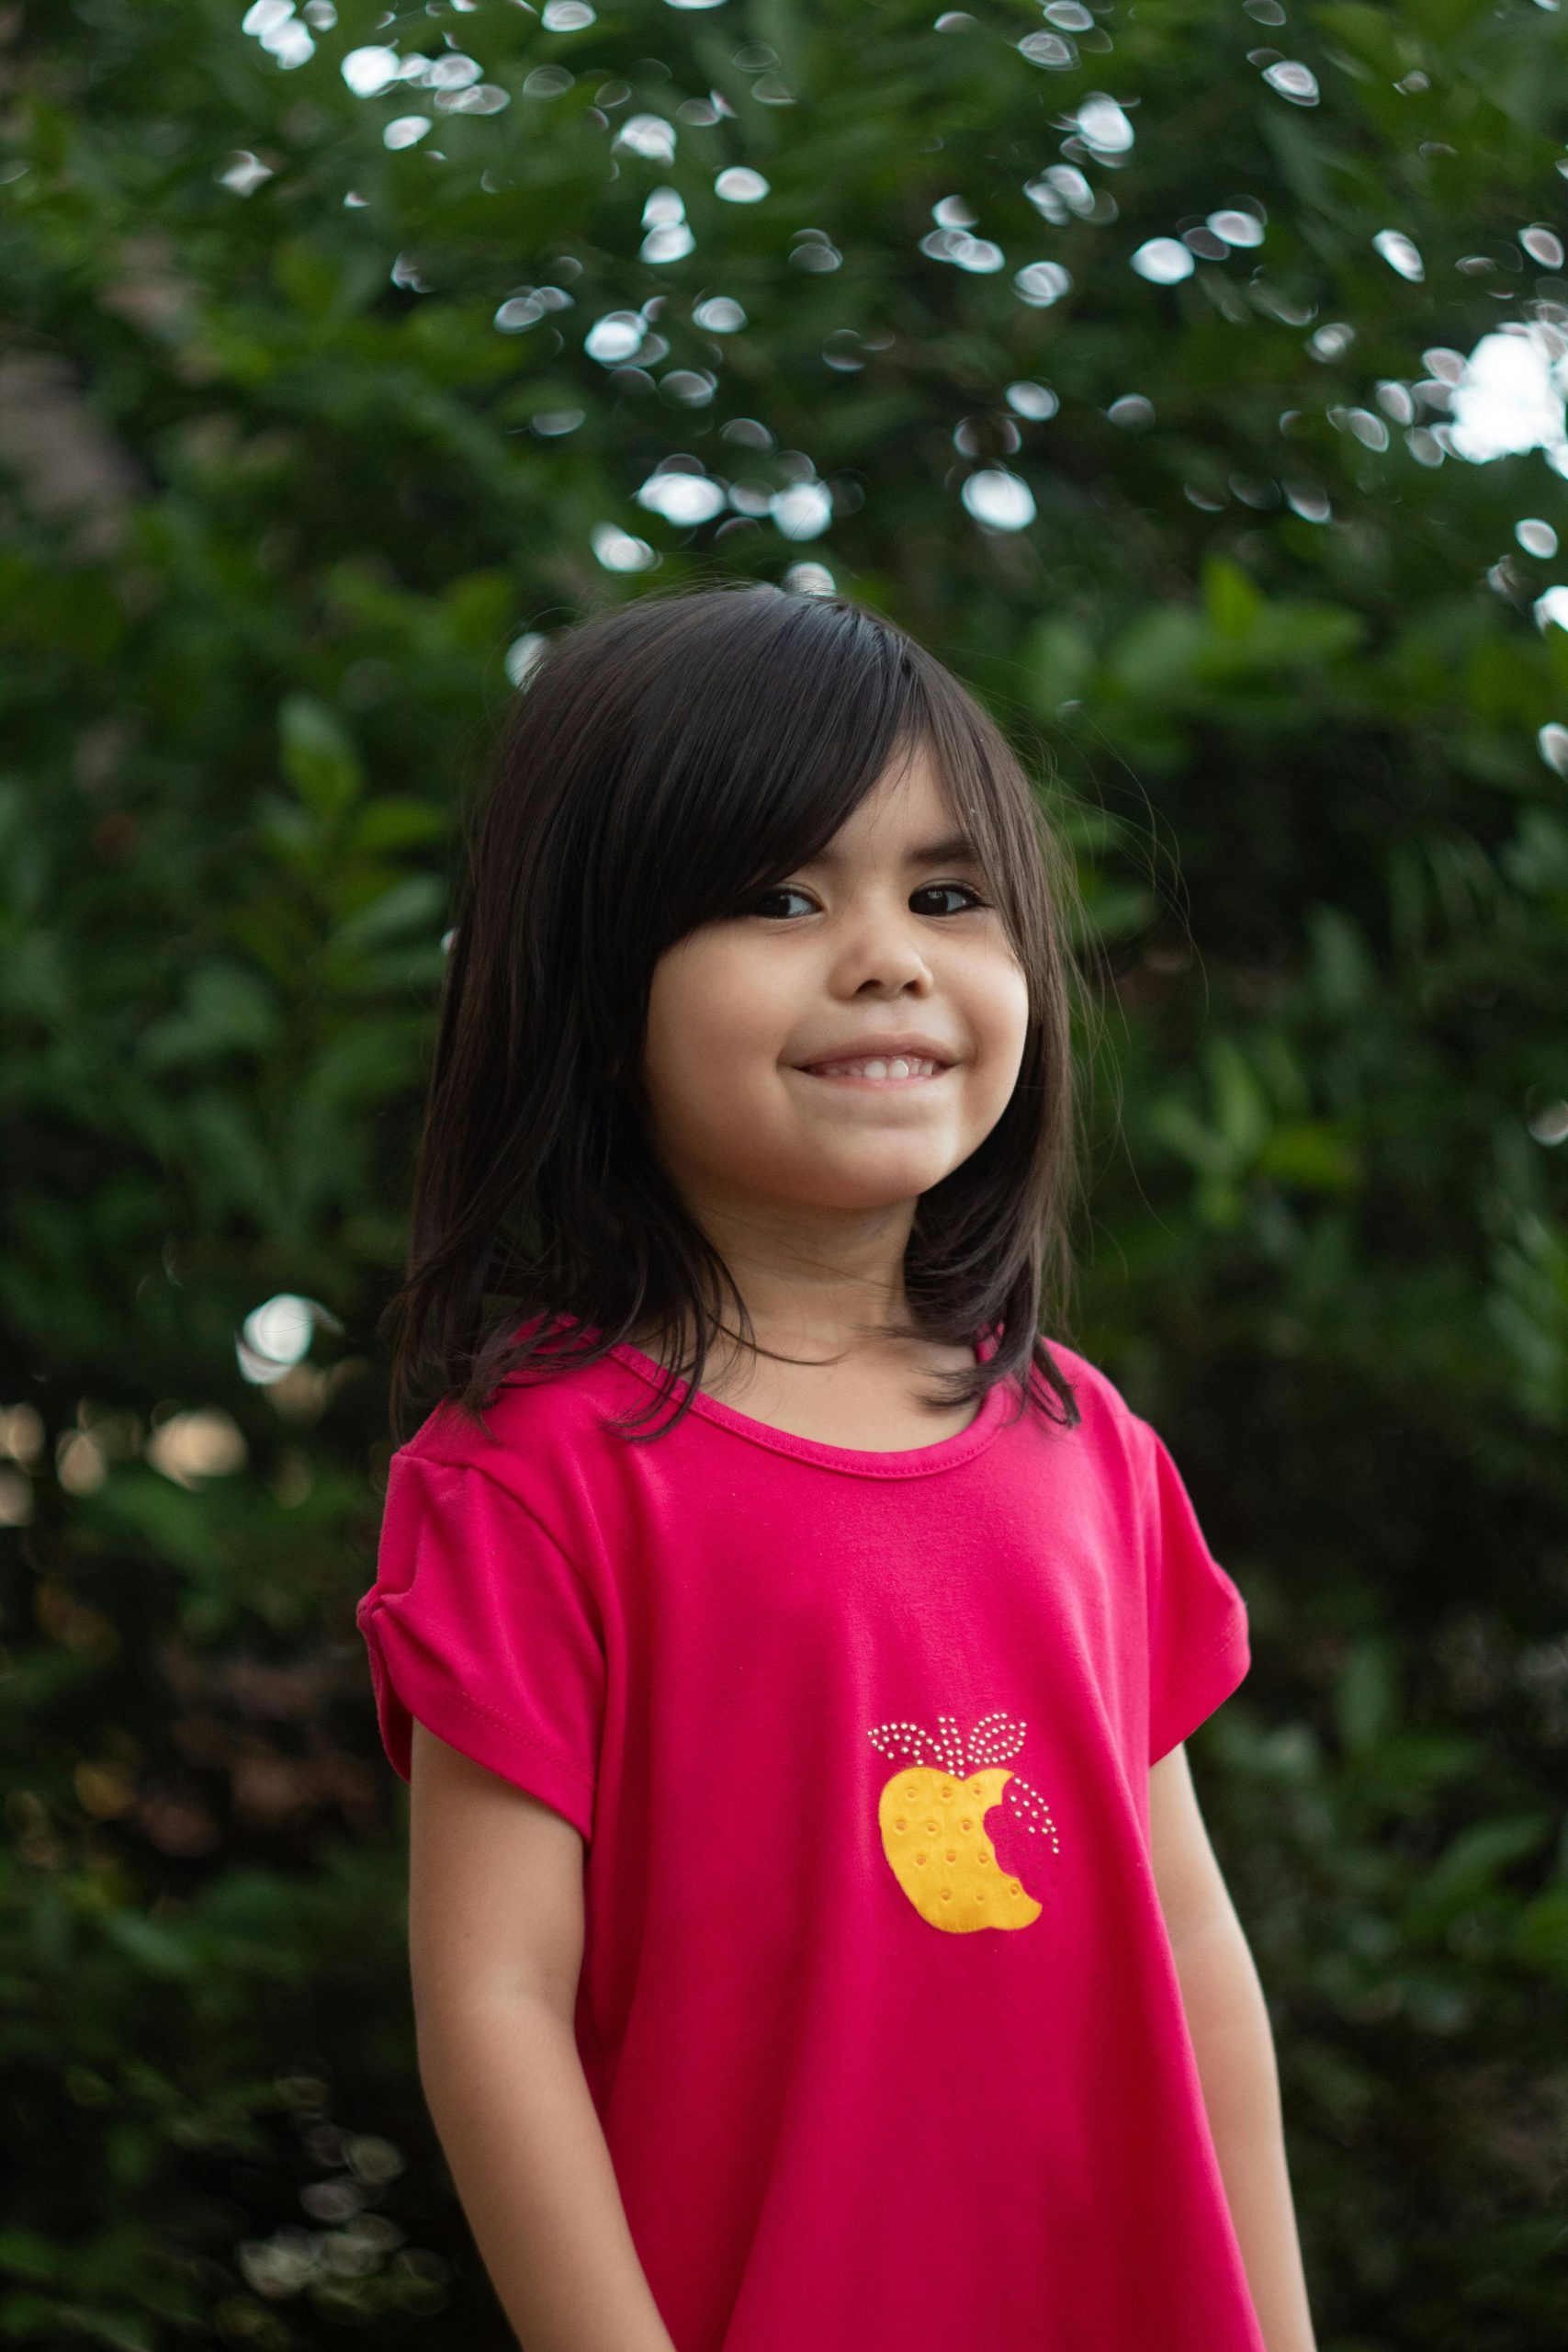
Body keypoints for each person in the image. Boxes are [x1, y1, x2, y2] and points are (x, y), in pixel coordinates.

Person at [355, 580, 1318, 2352]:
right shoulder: (530, 1482)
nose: (887, 956)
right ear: (597, 987)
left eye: (947, 896)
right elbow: (495, 2007)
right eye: (784, 898)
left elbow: (1193, 1950)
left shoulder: (1088, 1444)